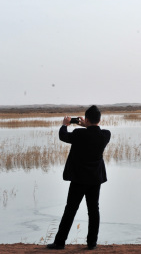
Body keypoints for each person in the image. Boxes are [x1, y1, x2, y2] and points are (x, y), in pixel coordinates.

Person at [47, 105, 111, 250]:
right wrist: (87, 125)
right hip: (95, 179)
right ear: (99, 119)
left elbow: (63, 136)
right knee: (94, 210)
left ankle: (59, 242)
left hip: (79, 179)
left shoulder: (78, 134)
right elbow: (95, 132)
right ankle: (92, 243)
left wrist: (65, 125)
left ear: (86, 119)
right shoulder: (105, 135)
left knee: (70, 210)